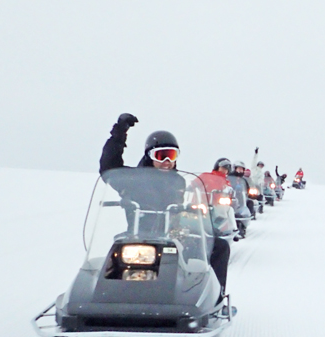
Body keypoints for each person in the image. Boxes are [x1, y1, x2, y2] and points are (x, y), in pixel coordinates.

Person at [98, 113, 229, 301]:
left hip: (172, 237)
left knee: (219, 247)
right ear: (150, 156)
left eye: (172, 155)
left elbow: (177, 210)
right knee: (113, 260)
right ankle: (103, 298)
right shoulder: (132, 180)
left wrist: (195, 219)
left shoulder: (178, 181)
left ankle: (215, 297)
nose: (167, 161)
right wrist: (119, 134)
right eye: (162, 155)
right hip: (138, 236)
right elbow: (108, 168)